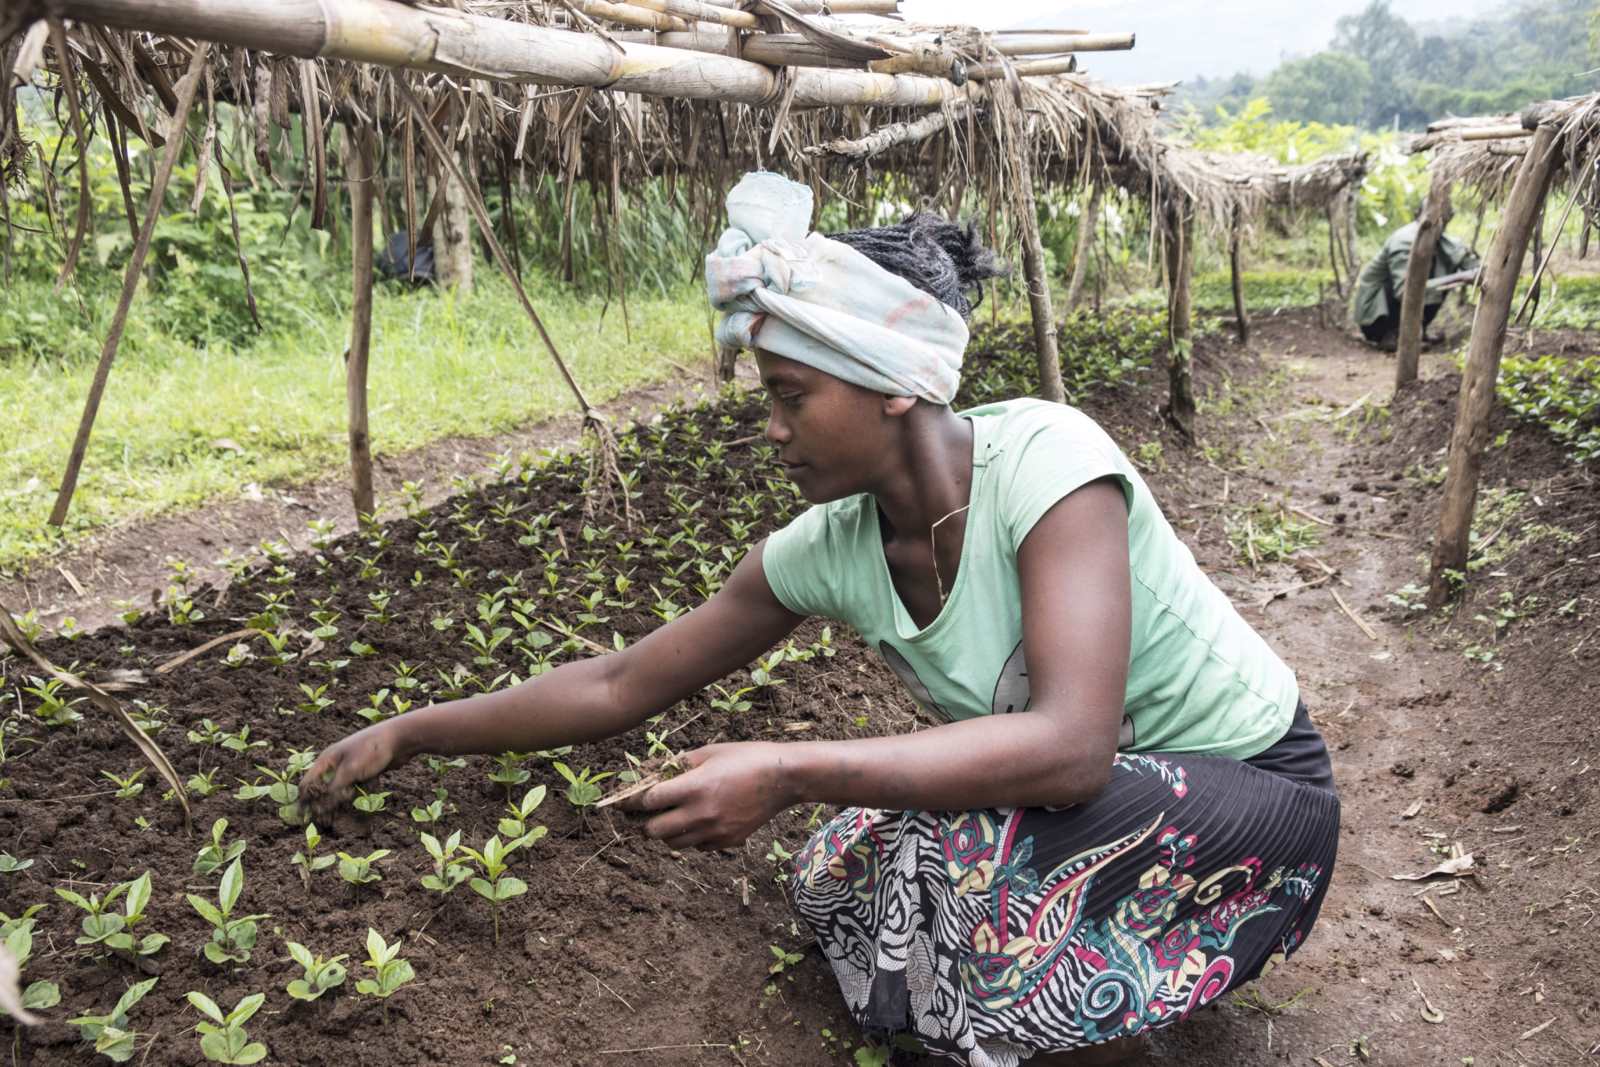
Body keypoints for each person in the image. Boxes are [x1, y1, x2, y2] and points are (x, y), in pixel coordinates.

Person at [303, 172, 1341, 1066]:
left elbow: (1069, 750)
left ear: (893, 384)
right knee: (836, 869)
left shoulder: (1048, 463)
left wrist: (787, 764)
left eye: (792, 394)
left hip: (1253, 794)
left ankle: (1107, 1018)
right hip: (1106, 802)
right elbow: (622, 683)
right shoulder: (826, 546)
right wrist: (408, 730)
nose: (772, 428)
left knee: (965, 875)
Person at [1353, 217, 1480, 347]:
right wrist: (1459, 278)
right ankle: (1391, 334)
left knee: (1441, 275)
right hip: (1375, 318)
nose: (1441, 222)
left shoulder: (1442, 242)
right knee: (1408, 281)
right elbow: (1404, 291)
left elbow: (1473, 266)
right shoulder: (1403, 239)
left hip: (1405, 304)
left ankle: (1419, 332)